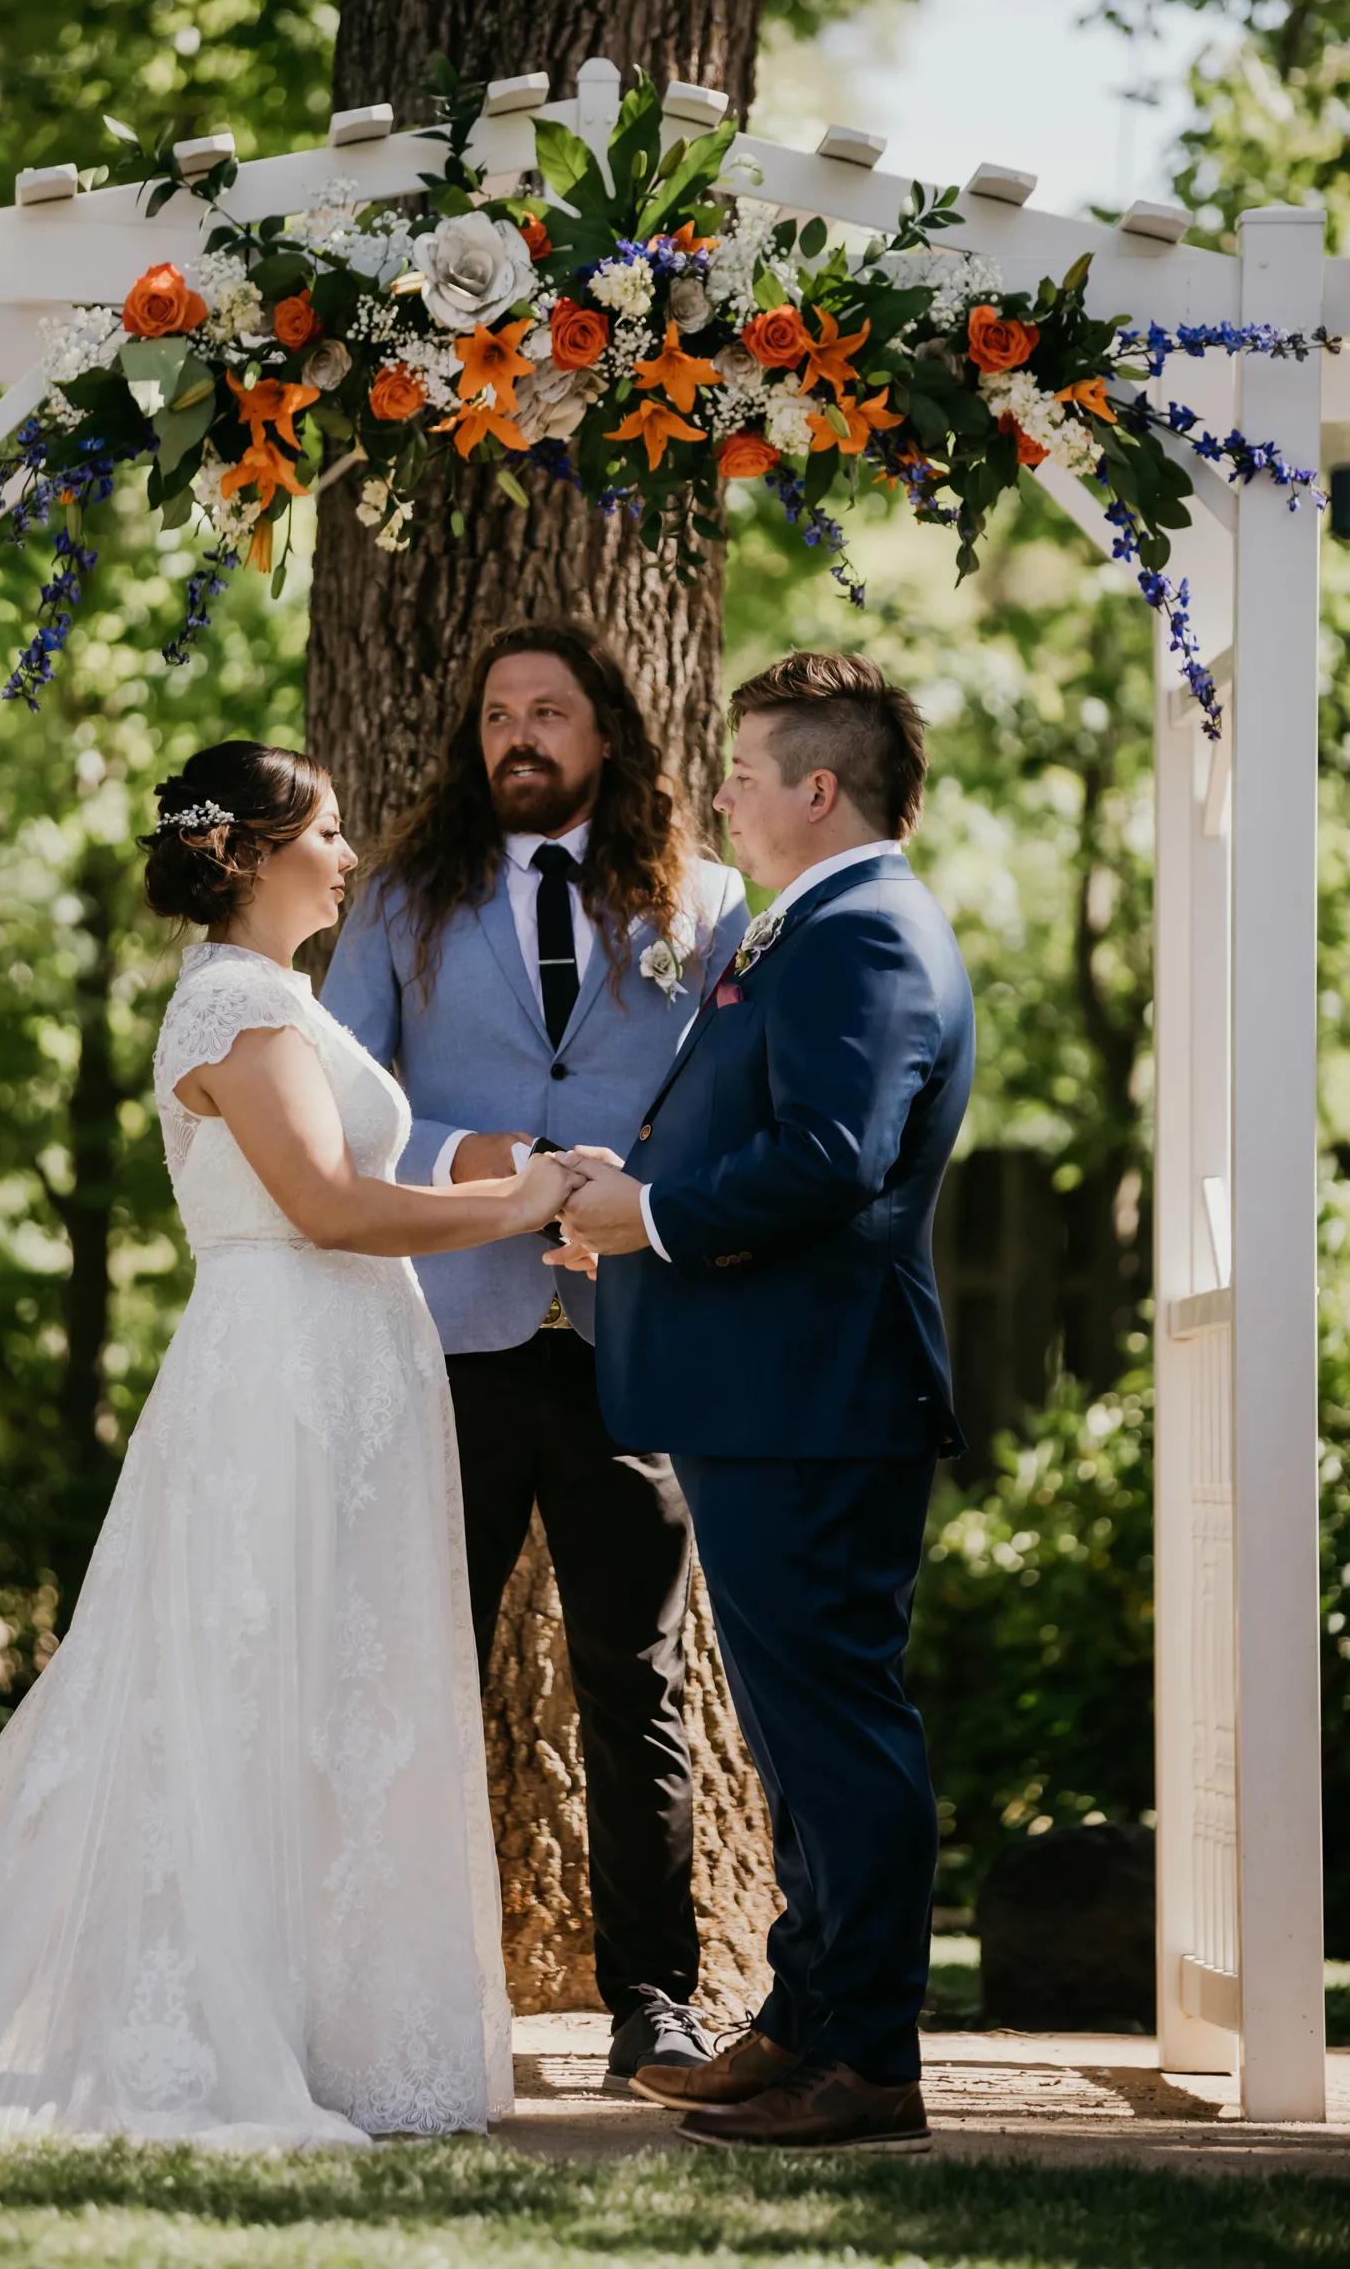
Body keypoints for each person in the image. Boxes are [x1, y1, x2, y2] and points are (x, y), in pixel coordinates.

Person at [0, 741, 576, 2147]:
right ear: (251, 852)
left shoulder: (277, 1004)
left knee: (329, 1694)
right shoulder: (240, 1007)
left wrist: (489, 1163)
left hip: (341, 1374)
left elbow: (370, 1173)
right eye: (324, 830)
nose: (347, 852)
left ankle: (328, 2022)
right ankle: (206, 2023)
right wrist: (526, 1208)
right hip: (281, 1377)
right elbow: (328, 1209)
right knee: (249, 1685)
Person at [323, 621, 748, 2093]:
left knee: (635, 1675)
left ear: (606, 733)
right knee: (410, 1664)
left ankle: (656, 2004)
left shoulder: (708, 900)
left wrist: (627, 1196)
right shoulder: (399, 898)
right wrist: (481, 1157)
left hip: (634, 1342)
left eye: (548, 713)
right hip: (449, 1339)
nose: (518, 736)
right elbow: (344, 1099)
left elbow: (722, 1100)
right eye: (497, 712)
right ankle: (372, 1983)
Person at [559, 652, 973, 2154]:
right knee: (799, 1739)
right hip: (775, 1397)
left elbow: (830, 1158)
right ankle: (803, 2025)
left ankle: (867, 2059)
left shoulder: (862, 934)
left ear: (817, 788)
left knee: (839, 1733)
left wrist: (643, 1216)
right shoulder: (812, 927)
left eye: (742, 771)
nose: (718, 792)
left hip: (816, 1399)